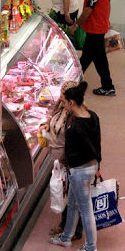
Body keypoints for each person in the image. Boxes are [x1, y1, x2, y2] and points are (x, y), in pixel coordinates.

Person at [50, 81, 101, 251]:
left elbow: (74, 152)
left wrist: (66, 165)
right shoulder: (92, 116)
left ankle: (90, 247)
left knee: (86, 210)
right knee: (72, 202)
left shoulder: (74, 127)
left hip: (80, 171)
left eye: (64, 102)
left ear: (71, 102)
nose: (62, 104)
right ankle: (66, 238)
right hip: (91, 167)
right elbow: (97, 144)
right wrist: (98, 164)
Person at [38, 80, 82, 241]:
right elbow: (52, 119)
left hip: (69, 162)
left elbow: (75, 141)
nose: (61, 101)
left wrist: (65, 158)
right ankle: (65, 225)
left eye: (64, 99)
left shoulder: (76, 116)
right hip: (59, 159)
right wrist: (46, 126)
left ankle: (74, 230)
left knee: (72, 197)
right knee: (64, 193)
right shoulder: (61, 107)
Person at [70, 0, 115, 96]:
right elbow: (106, 3)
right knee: (93, 57)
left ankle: (72, 82)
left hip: (95, 27)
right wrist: (106, 20)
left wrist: (76, 24)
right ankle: (107, 86)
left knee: (92, 57)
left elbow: (89, 9)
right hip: (98, 26)